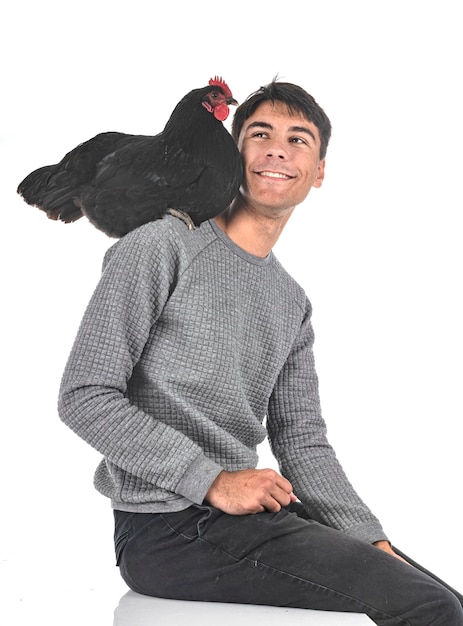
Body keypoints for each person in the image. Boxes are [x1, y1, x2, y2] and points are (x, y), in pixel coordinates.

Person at [58, 80, 463, 625]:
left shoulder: (290, 301)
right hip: (165, 528)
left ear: (318, 171)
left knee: (449, 603)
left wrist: (369, 539)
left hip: (246, 516)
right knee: (430, 608)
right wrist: (213, 480)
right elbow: (85, 395)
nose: (277, 149)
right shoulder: (161, 246)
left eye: (299, 139)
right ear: (233, 151)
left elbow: (302, 440)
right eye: (259, 134)